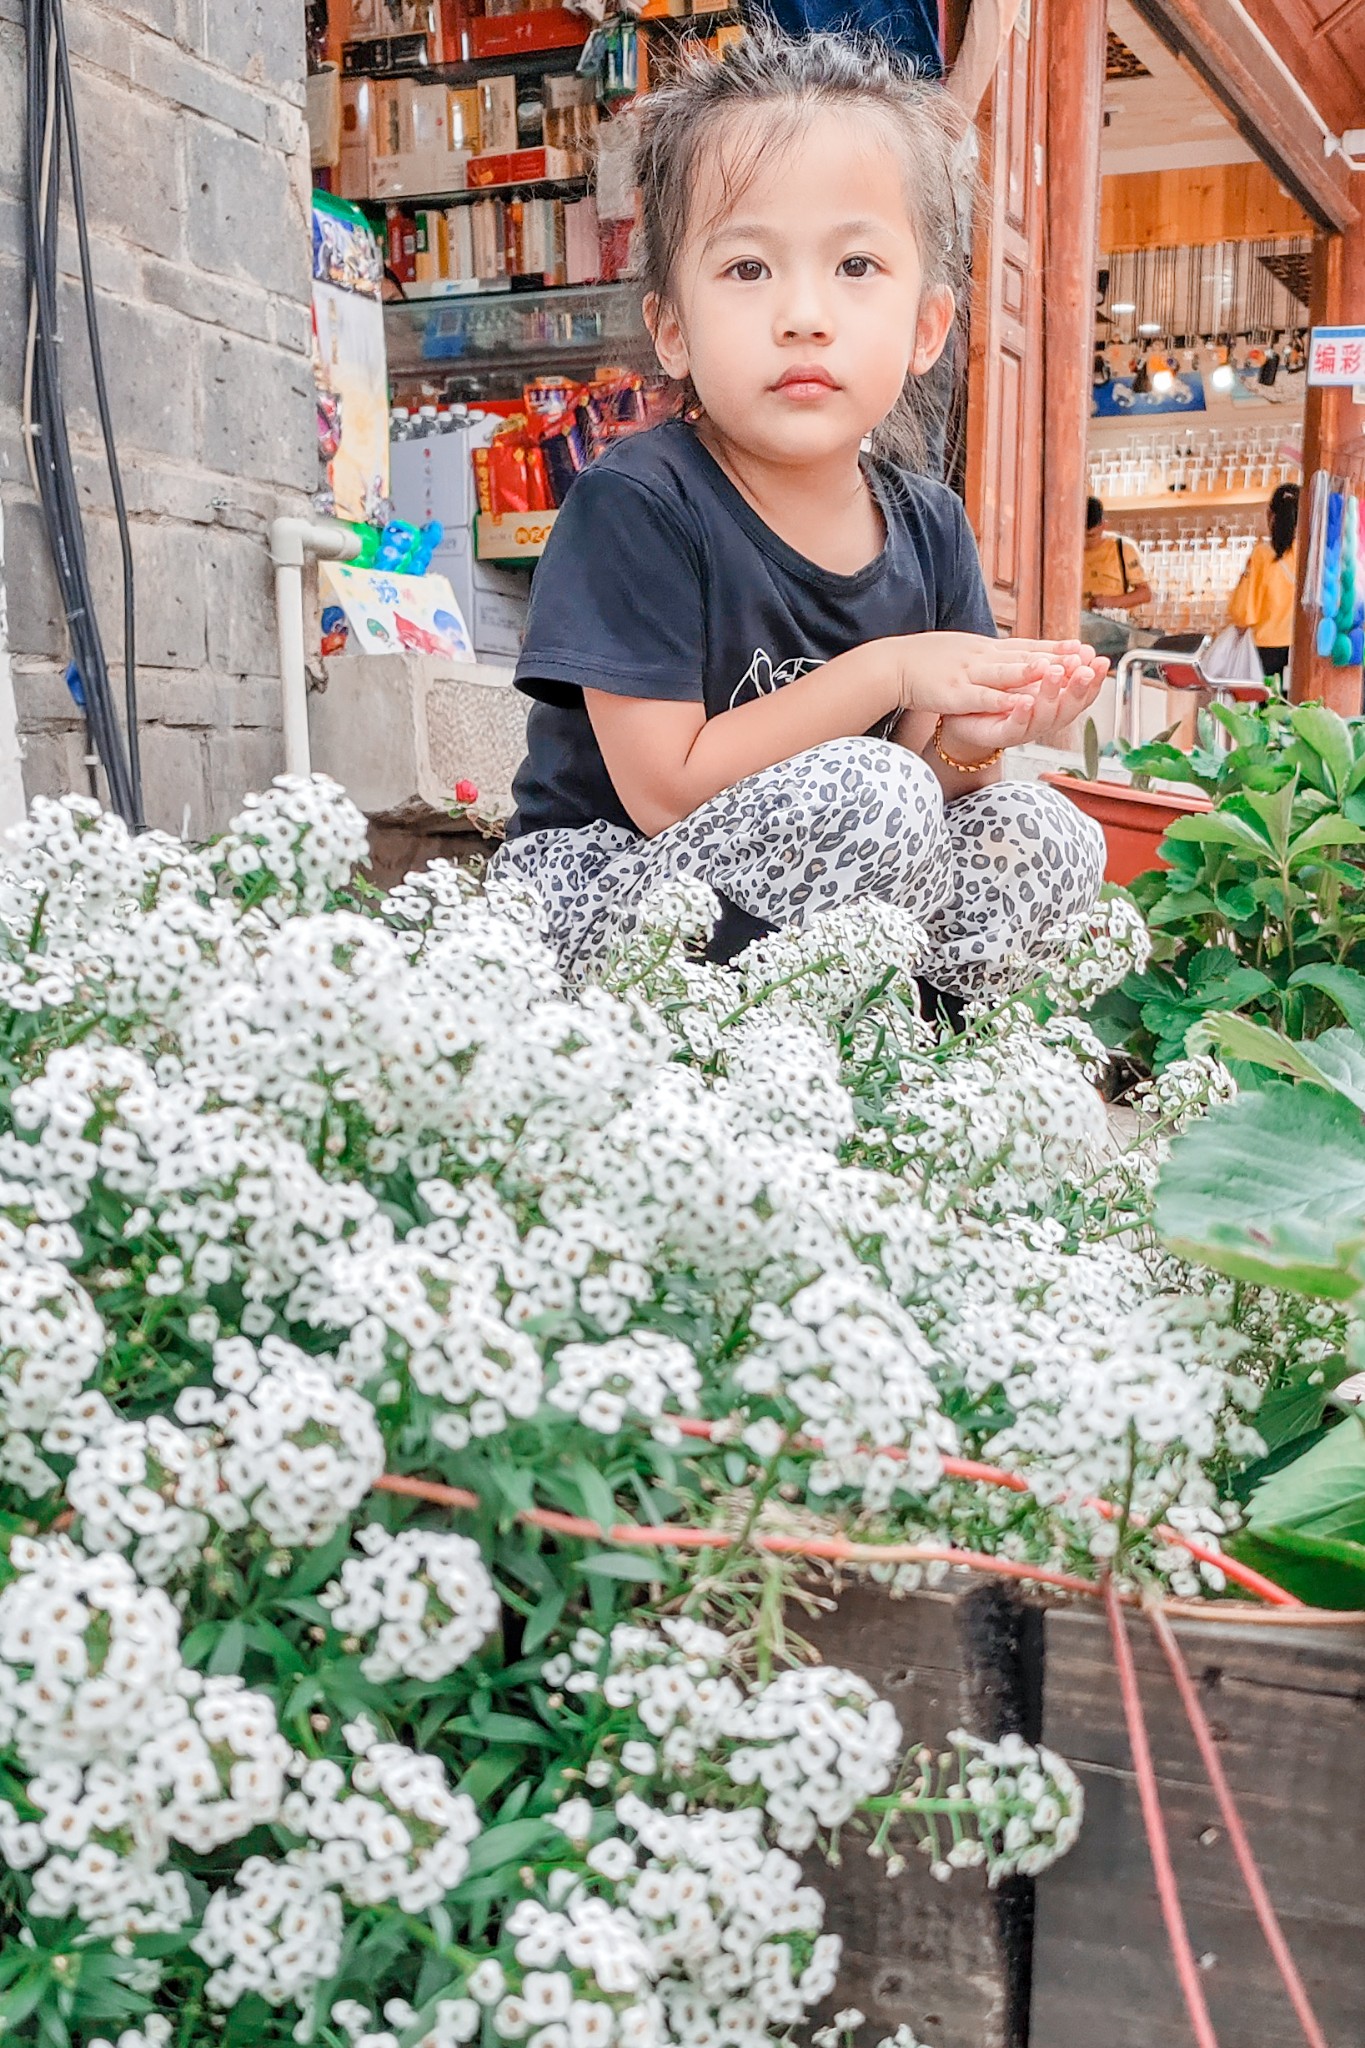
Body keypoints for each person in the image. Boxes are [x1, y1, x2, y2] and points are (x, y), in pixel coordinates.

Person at [492, 28, 1106, 991]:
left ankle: (899, 1076)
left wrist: (969, 737)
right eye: (748, 270)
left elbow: (920, 788)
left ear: (926, 328)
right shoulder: (639, 504)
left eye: (855, 268)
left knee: (1041, 833)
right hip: (609, 898)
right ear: (671, 330)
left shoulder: (929, 525)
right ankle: (725, 1067)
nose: (803, 314)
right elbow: (666, 793)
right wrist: (889, 670)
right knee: (872, 793)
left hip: (807, 914)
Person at [1227, 482, 1299, 683]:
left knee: (1264, 711)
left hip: (1265, 651)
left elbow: (1243, 613)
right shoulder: (1310, 555)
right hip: (1300, 651)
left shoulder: (1262, 554)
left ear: (1270, 515)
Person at [1080, 496, 1152, 661]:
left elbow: (1145, 594)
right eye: (1081, 535)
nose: (1086, 541)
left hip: (1113, 637)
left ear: (1103, 525)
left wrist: (1109, 602)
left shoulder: (1122, 548)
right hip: (1077, 632)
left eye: (1091, 536)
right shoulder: (1067, 548)